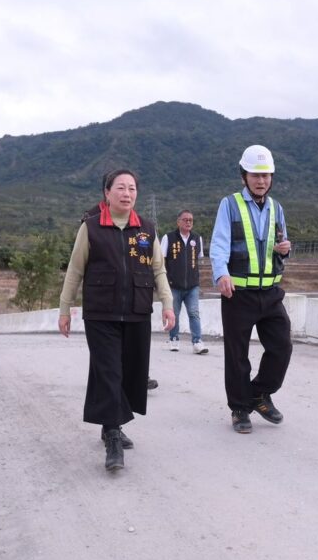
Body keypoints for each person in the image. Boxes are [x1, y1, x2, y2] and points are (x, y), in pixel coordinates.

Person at [58, 170, 174, 472]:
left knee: (129, 373)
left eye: (132, 188)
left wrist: (167, 304)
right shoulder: (91, 227)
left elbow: (158, 270)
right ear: (107, 193)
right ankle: (112, 435)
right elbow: (75, 270)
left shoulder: (147, 229)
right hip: (101, 313)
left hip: (137, 311)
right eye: (120, 188)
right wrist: (64, 309)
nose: (127, 193)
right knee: (109, 371)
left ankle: (112, 423)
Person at [209, 145, 292, 434]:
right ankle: (240, 408)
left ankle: (258, 393)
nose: (261, 180)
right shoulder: (229, 205)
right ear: (244, 176)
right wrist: (221, 274)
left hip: (270, 292)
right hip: (238, 293)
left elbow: (281, 244)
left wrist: (285, 249)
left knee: (282, 346)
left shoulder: (277, 208)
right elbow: (219, 243)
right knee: (237, 355)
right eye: (255, 175)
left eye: (266, 175)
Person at [159, 209, 208, 354]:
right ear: (178, 222)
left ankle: (197, 341)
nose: (188, 222)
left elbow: (199, 259)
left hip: (192, 286)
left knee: (194, 313)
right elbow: (161, 260)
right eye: (185, 220)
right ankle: (174, 339)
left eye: (190, 220)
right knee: (174, 313)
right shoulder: (168, 238)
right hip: (173, 285)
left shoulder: (197, 238)